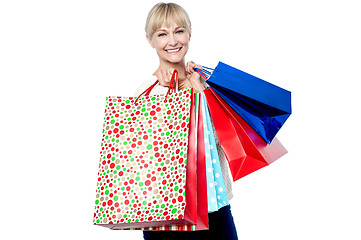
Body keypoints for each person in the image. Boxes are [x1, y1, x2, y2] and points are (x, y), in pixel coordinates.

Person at [135, 3, 239, 240]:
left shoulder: (206, 83)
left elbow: (228, 141)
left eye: (179, 31)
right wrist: (168, 100)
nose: (172, 41)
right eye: (162, 34)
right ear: (150, 40)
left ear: (190, 33)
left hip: (215, 205)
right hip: (165, 213)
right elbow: (147, 158)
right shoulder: (148, 93)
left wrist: (201, 91)